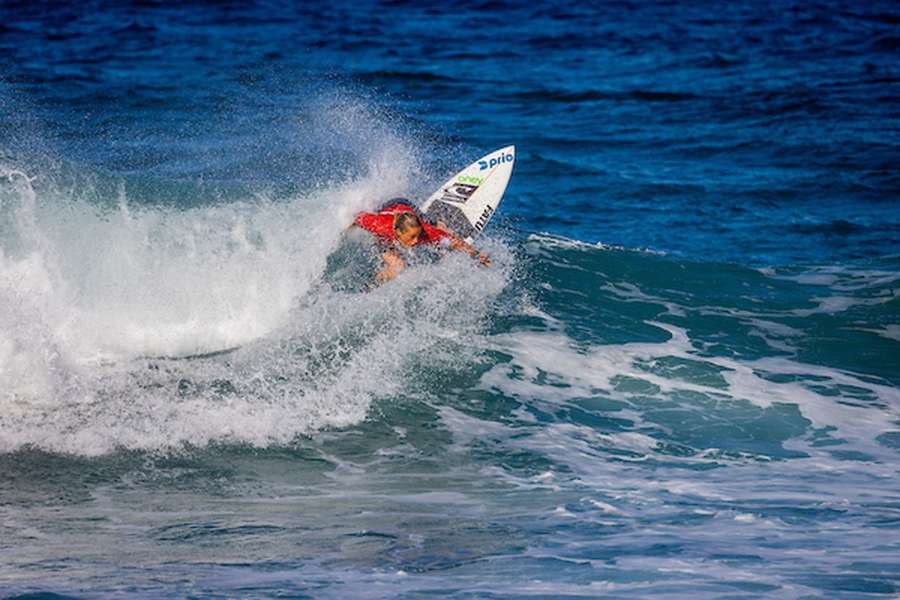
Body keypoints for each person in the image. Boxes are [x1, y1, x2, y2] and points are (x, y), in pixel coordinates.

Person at [353, 199, 490, 284]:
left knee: (439, 228)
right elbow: (357, 217)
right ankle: (371, 285)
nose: (416, 241)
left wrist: (477, 255)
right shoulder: (380, 226)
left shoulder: (425, 232)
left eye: (417, 236)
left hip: (406, 207)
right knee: (397, 266)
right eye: (412, 237)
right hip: (392, 206)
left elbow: (455, 242)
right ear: (398, 232)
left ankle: (437, 221)